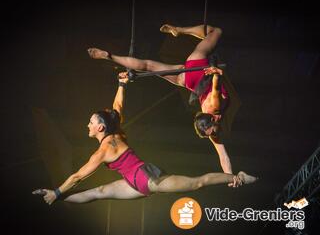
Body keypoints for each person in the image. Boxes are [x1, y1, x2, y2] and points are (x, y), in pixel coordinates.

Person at [32, 72, 257, 205]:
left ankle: (238, 176)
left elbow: (77, 176)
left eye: (91, 122)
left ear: (100, 127)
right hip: (132, 183)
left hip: (147, 180)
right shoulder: (114, 131)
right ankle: (54, 198)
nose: (88, 125)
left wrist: (60, 189)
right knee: (97, 193)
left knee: (196, 182)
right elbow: (117, 107)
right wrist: (121, 85)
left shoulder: (104, 150)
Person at [87, 24, 241, 175]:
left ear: (210, 120)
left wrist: (216, 72)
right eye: (214, 131)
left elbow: (223, 154)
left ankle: (111, 56)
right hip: (190, 81)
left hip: (198, 72)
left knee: (215, 31)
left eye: (213, 131)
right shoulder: (211, 121)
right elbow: (223, 155)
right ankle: (179, 30)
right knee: (149, 66)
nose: (215, 132)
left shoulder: (214, 110)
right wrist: (230, 176)